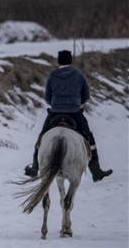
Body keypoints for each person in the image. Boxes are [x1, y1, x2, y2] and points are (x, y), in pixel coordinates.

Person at [25, 49, 111, 182]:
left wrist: (57, 103)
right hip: (75, 112)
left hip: (55, 112)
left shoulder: (52, 75)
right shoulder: (79, 75)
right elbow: (86, 96)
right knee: (90, 139)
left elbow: (47, 98)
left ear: (59, 61)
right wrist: (76, 103)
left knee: (41, 138)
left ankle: (35, 168)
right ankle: (96, 170)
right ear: (70, 60)